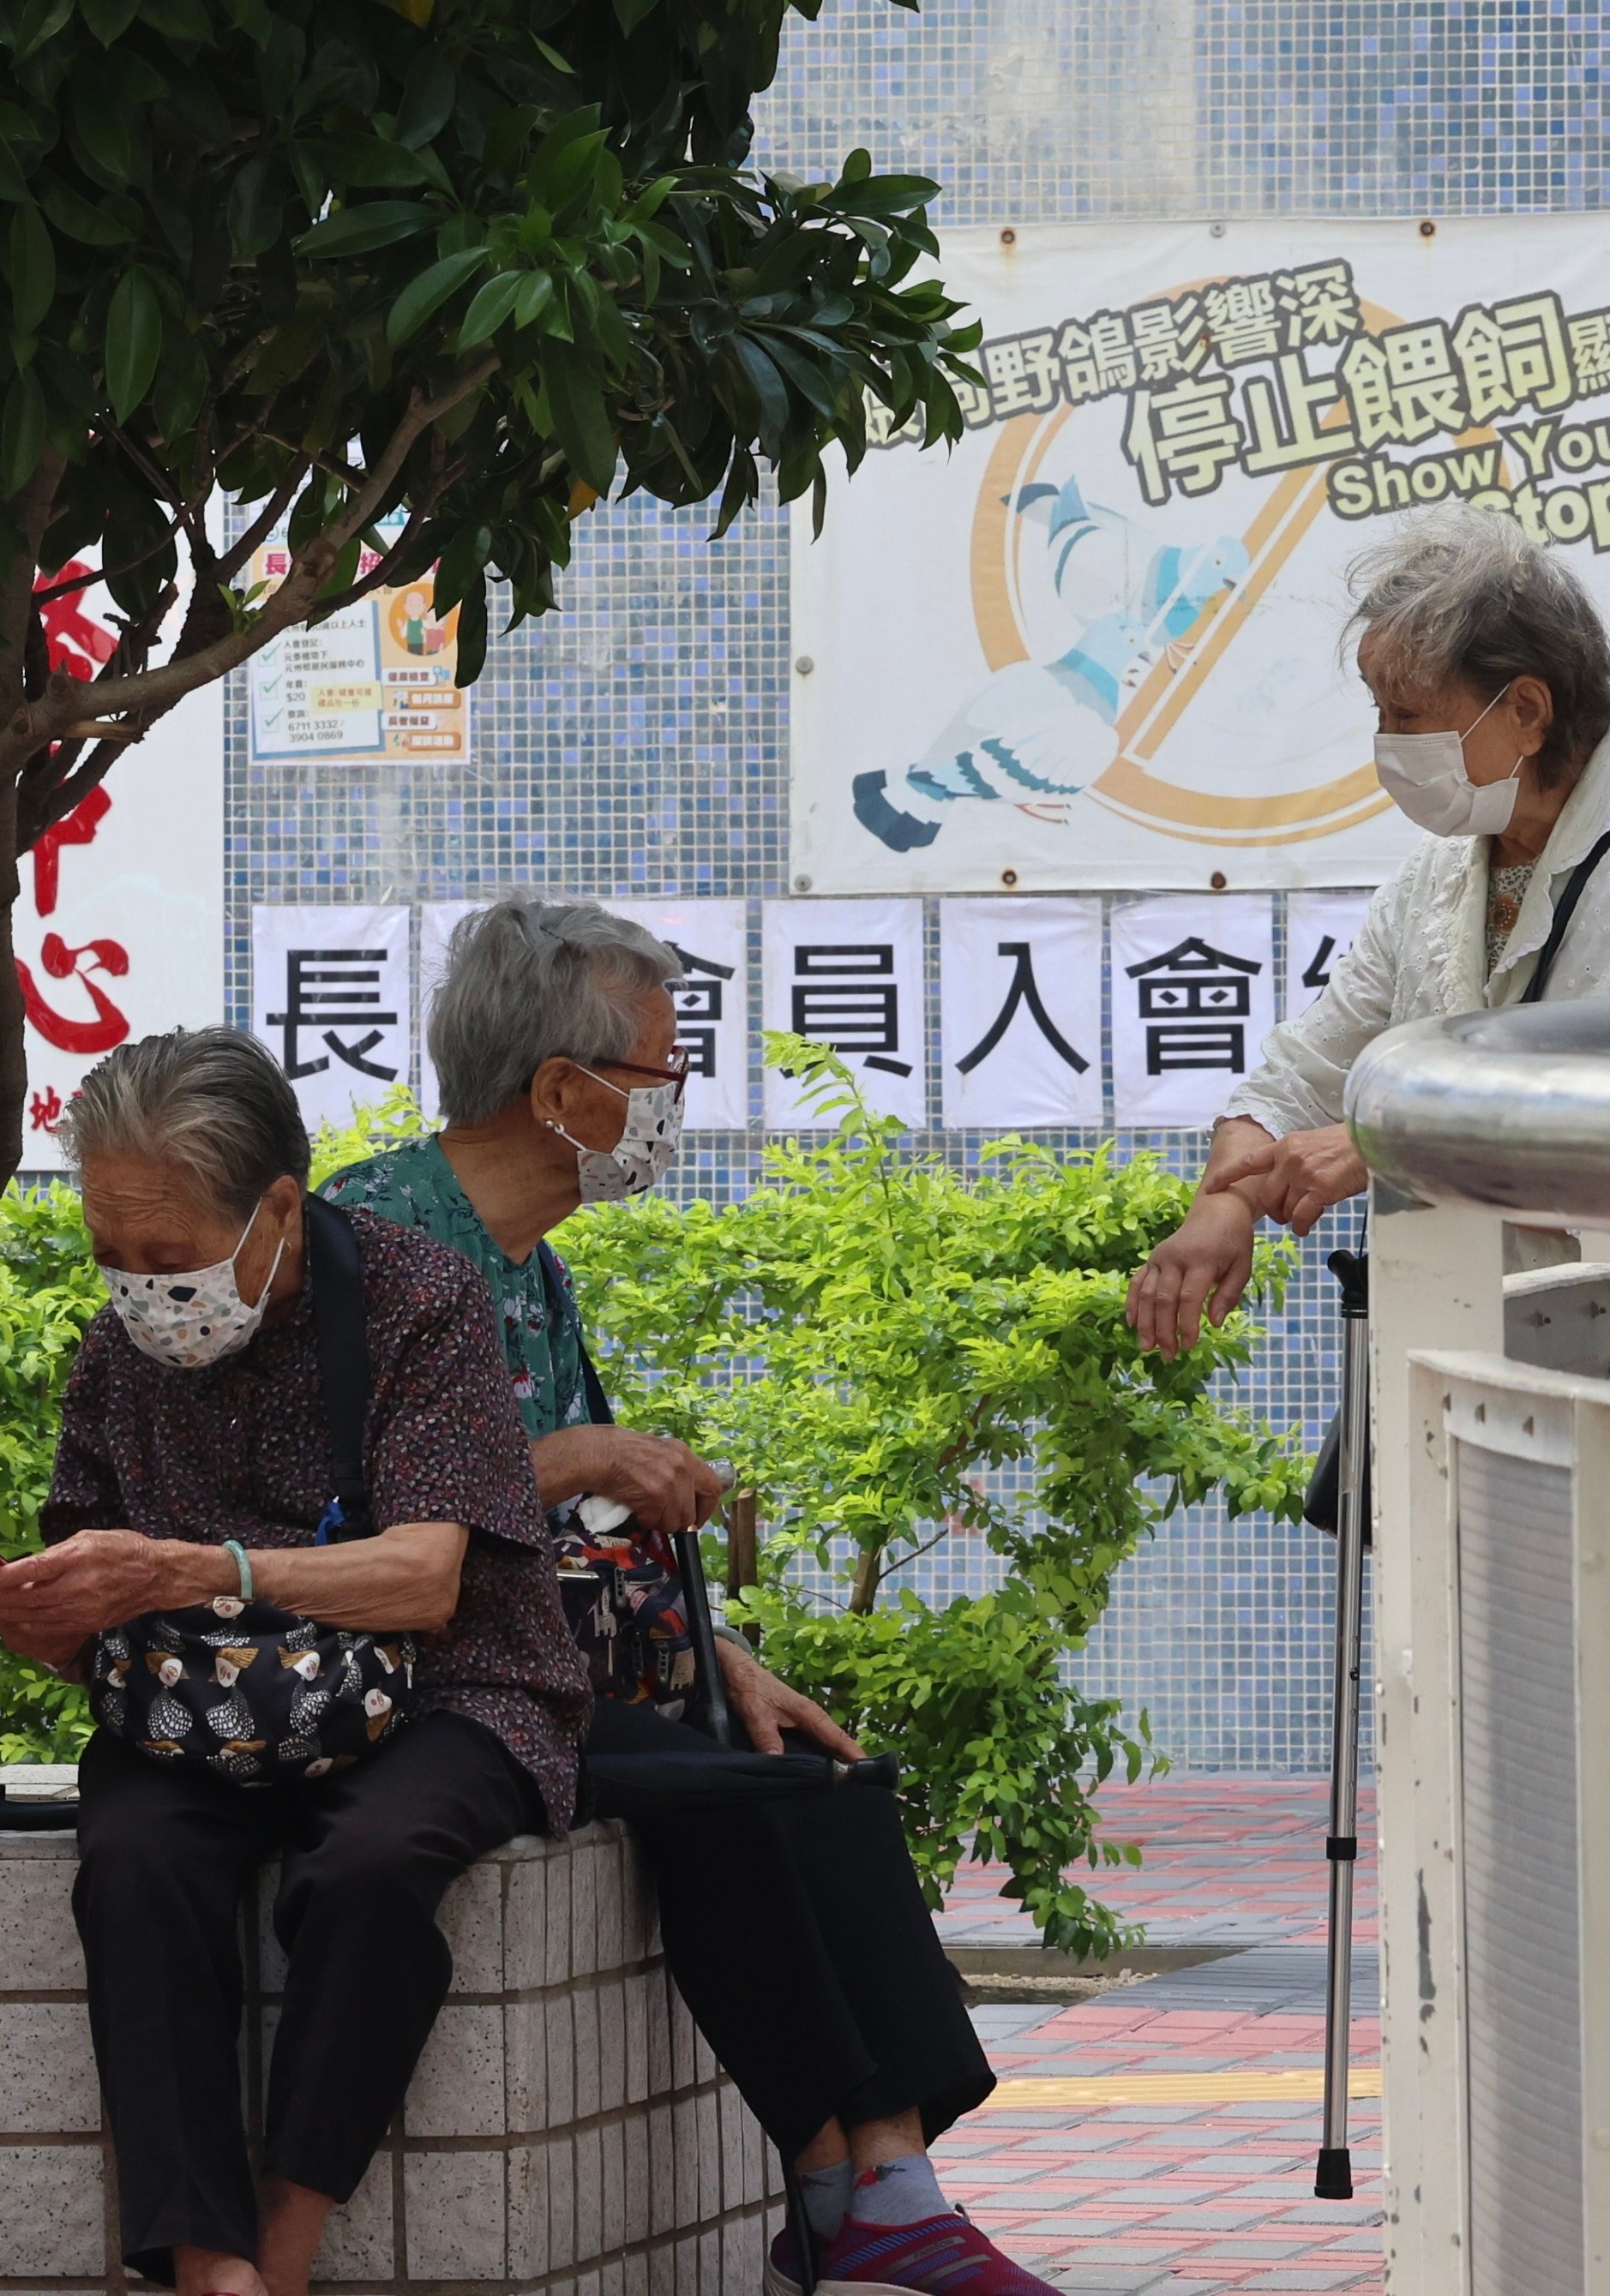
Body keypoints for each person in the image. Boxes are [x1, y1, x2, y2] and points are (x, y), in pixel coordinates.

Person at [322, 897, 1054, 2296]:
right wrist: (579, 1455)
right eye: (661, 1074)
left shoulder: (532, 1268)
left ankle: (872, 2180)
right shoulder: (372, 1243)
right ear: (560, 1089)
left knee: (809, 1761)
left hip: (547, 1664)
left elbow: (591, 1534)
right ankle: (858, 2193)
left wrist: (719, 1655)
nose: (676, 1105)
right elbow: (351, 1522)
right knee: (729, 1783)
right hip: (420, 1691)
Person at [0, 1026, 585, 2296]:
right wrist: (51, 1616)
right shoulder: (115, 1353)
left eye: (163, 1253)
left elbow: (425, 1577)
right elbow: (93, 1583)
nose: (137, 1285)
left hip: (446, 1681)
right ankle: (212, 2266)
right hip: (196, 1702)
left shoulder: (421, 1299)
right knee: (134, 1861)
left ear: (276, 1208)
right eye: (108, 1254)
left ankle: (285, 2240)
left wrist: (205, 1567)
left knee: (369, 1864)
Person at [1130, 506, 1610, 1355]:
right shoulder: (1436, 874)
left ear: (1528, 710)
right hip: (1449, 1345)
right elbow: (1307, 1070)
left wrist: (1398, 1145)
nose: (1388, 745)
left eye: (1409, 716)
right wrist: (1224, 1204)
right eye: (1380, 714)